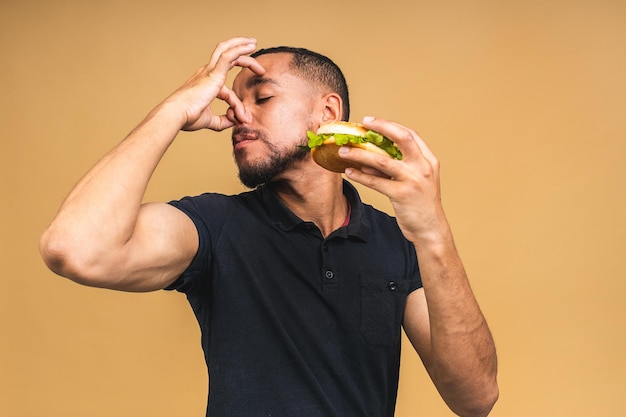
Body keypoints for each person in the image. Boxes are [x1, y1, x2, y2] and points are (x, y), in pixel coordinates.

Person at [39, 37, 498, 417]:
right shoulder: (214, 226)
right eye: (235, 101)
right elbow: (74, 248)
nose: (240, 114)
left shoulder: (398, 242)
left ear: (327, 112)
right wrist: (175, 109)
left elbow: (475, 397)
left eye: (262, 97)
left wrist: (433, 231)